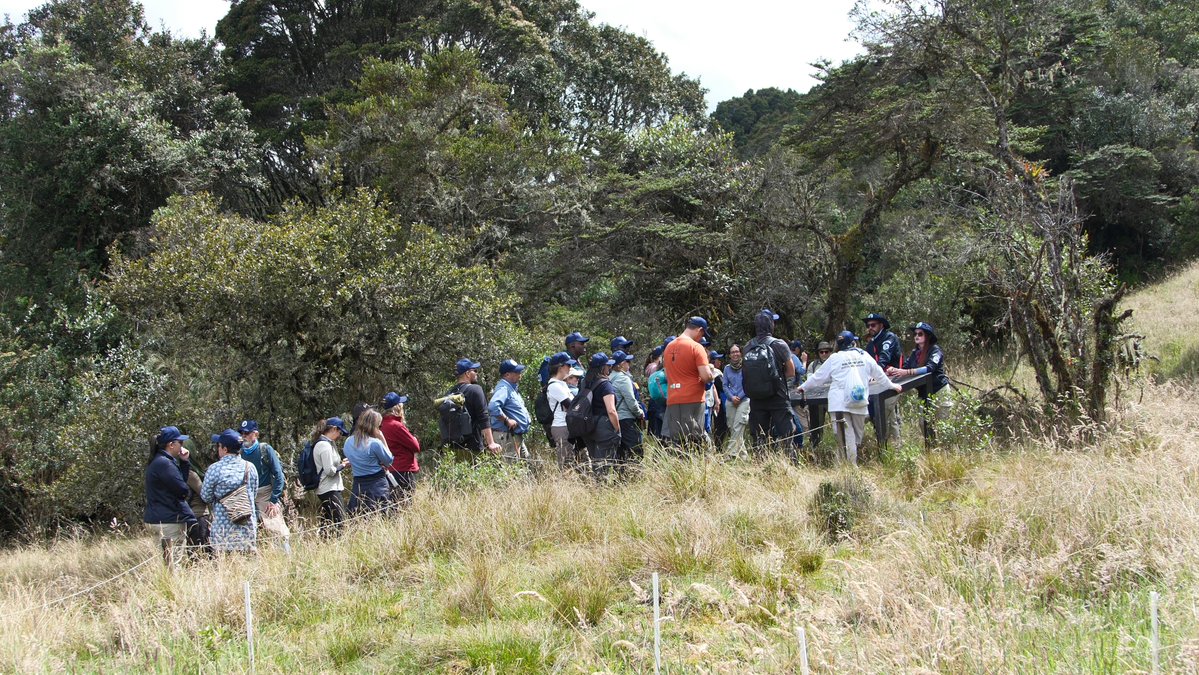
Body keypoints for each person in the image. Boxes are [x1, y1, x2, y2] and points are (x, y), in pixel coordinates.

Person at [799, 331, 901, 465]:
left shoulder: (835, 358)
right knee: (854, 436)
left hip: (839, 403)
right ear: (853, 342)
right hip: (858, 399)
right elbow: (879, 373)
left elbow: (819, 377)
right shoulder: (864, 355)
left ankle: (849, 465)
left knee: (847, 437)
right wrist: (892, 385)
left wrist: (803, 387)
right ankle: (849, 465)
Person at [744, 310, 797, 452]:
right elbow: (791, 372)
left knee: (760, 437)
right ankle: (788, 460)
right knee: (786, 435)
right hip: (778, 397)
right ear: (771, 325)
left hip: (756, 398)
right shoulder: (779, 344)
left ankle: (761, 461)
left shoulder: (748, 347)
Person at [888, 322, 951, 443]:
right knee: (924, 423)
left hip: (939, 391)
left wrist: (907, 372)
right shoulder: (915, 353)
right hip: (924, 393)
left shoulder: (935, 350)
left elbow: (929, 368)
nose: (916, 336)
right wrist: (893, 371)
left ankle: (947, 450)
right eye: (915, 334)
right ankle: (932, 447)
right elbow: (905, 368)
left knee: (943, 425)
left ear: (928, 336)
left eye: (920, 334)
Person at [144, 426, 197, 566]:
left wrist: (184, 462)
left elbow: (179, 482)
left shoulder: (159, 461)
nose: (182, 446)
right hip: (169, 520)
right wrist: (185, 491)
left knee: (163, 564)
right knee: (174, 564)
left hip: (158, 518)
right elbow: (182, 489)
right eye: (180, 442)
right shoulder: (165, 463)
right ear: (171, 444)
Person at [237, 420, 291, 555]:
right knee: (249, 534)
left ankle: (286, 558)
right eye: (242, 433)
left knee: (277, 530)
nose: (244, 436)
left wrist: (274, 500)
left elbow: (278, 475)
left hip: (265, 495)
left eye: (247, 433)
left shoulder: (265, 449)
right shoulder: (239, 452)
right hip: (247, 496)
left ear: (256, 434)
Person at [201, 429, 259, 554]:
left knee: (224, 563)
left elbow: (205, 496)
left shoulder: (214, 469)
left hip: (222, 531)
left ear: (225, 449)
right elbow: (253, 494)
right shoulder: (250, 467)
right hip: (247, 529)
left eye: (219, 446)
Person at [662, 317, 716, 445]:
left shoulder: (669, 347)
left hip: (673, 399)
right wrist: (711, 375)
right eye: (702, 334)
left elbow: (667, 374)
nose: (701, 337)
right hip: (693, 399)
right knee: (695, 438)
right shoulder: (696, 347)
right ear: (700, 330)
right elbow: (705, 376)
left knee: (676, 439)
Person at [445, 358, 502, 456]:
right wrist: (491, 443)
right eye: (474, 370)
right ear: (467, 373)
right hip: (473, 448)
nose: (477, 373)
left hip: (453, 449)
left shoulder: (450, 393)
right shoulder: (475, 389)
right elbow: (483, 417)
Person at [343, 409, 394, 513]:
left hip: (358, 484)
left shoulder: (348, 442)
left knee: (360, 513)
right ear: (374, 426)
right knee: (380, 514)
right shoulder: (375, 443)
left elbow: (352, 458)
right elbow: (389, 461)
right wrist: (382, 438)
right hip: (377, 484)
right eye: (379, 426)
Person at [862, 312, 903, 444]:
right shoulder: (871, 343)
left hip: (892, 381)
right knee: (875, 414)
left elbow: (884, 358)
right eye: (868, 325)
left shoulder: (889, 338)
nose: (870, 328)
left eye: (873, 325)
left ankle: (894, 446)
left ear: (881, 325)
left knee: (888, 414)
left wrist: (876, 374)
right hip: (875, 384)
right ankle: (882, 443)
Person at [581, 352, 622, 474]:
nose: (610, 368)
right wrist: (617, 429)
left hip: (587, 426)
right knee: (603, 466)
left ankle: (595, 484)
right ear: (602, 367)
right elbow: (611, 410)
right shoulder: (605, 385)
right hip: (603, 426)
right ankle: (600, 484)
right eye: (608, 365)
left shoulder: (584, 383)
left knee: (595, 463)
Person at [489, 359, 532, 462]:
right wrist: (507, 420)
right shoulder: (504, 388)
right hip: (507, 436)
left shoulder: (511, 388)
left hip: (514, 435)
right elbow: (493, 407)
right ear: (507, 374)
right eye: (516, 372)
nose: (519, 374)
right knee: (511, 466)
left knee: (525, 464)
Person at [311, 417, 351, 526]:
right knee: (340, 521)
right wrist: (343, 465)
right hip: (328, 489)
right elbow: (330, 471)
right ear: (333, 429)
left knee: (328, 522)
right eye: (339, 432)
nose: (339, 436)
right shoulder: (324, 445)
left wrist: (341, 464)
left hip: (330, 488)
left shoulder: (328, 443)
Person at [381, 392, 420, 504]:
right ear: (397, 408)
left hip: (389, 470)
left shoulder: (381, 424)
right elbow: (416, 446)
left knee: (394, 503)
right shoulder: (396, 425)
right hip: (403, 470)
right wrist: (414, 438)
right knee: (406, 504)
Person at [609, 350, 645, 462]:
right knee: (635, 451)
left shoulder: (609, 378)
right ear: (621, 364)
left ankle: (622, 472)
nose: (629, 364)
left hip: (614, 420)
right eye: (627, 361)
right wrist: (640, 413)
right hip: (627, 419)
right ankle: (635, 471)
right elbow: (631, 401)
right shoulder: (623, 379)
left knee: (620, 452)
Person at [545, 352, 579, 468]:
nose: (570, 368)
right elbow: (571, 405)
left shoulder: (562, 384)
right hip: (561, 427)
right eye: (568, 365)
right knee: (566, 464)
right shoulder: (554, 386)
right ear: (560, 367)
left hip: (568, 426)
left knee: (576, 461)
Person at [803, 341, 834, 448]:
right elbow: (810, 380)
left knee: (838, 422)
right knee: (816, 425)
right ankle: (816, 446)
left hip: (832, 397)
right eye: (821, 352)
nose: (824, 354)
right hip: (817, 398)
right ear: (818, 353)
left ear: (830, 352)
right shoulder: (813, 365)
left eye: (826, 351)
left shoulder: (835, 363)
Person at [722, 344, 751, 458]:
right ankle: (744, 456)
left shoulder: (746, 366)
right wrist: (732, 397)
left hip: (744, 400)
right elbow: (725, 385)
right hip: (731, 400)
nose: (735, 354)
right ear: (730, 355)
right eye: (732, 352)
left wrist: (739, 397)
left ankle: (729, 454)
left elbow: (749, 383)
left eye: (737, 351)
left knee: (738, 426)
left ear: (741, 353)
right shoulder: (727, 368)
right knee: (732, 428)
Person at [646, 346, 667, 437]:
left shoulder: (649, 366)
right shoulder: (655, 367)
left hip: (654, 398)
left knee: (656, 429)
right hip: (661, 400)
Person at [707, 350, 727, 445]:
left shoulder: (709, 372)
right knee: (719, 426)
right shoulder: (716, 374)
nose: (720, 362)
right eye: (717, 359)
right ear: (712, 361)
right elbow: (723, 387)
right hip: (717, 404)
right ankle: (718, 447)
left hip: (713, 403)